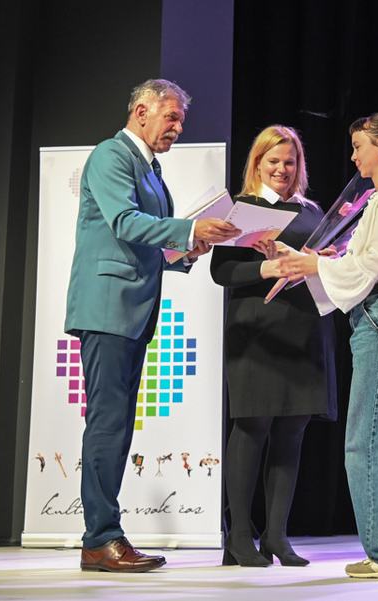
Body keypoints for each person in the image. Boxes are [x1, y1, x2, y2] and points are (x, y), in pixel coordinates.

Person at [64, 79, 240, 573]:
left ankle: (105, 536)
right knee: (108, 424)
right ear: (142, 111)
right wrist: (189, 228)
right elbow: (123, 222)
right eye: (172, 118)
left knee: (117, 426)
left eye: (181, 120)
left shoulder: (151, 169)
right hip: (107, 309)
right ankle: (100, 539)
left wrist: (188, 248)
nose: (178, 128)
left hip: (132, 311)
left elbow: (147, 245)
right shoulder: (111, 155)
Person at [275, 112, 378, 579]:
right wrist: (325, 260)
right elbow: (363, 261)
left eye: (360, 145)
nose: (353, 155)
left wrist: (314, 265)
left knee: (373, 441)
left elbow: (372, 267)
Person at [210, 125, 337, 567]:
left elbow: (321, 263)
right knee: (252, 427)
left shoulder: (311, 211)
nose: (282, 169)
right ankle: (239, 537)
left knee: (292, 431)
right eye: (274, 161)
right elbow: (222, 272)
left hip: (304, 328)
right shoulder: (240, 209)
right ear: (257, 163)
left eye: (289, 161)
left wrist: (327, 259)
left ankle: (278, 536)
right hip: (257, 332)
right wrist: (268, 269)